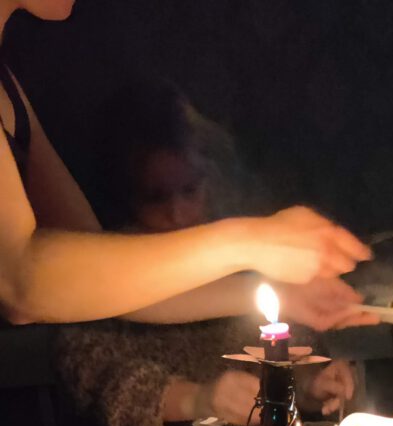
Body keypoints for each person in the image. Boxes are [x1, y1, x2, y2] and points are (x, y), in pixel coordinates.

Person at [0, 1, 374, 333]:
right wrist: (250, 241)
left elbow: (85, 278)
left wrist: (283, 294)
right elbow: (20, 284)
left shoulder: (8, 88)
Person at [54, 79, 354, 426]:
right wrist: (198, 399)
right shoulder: (100, 270)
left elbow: (288, 353)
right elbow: (103, 382)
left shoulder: (243, 257)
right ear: (126, 194)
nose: (177, 213)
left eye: (189, 189)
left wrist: (312, 385)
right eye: (156, 196)